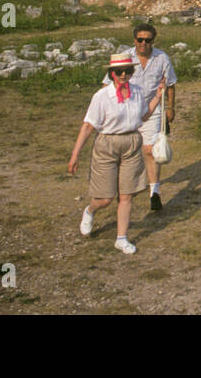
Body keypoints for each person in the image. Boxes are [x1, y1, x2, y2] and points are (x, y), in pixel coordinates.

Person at [68, 52, 165, 254]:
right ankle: (90, 210)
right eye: (119, 72)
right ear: (111, 73)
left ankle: (121, 238)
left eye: (127, 71)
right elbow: (88, 126)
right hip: (107, 144)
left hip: (131, 142)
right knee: (105, 198)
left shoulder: (137, 91)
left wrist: (157, 96)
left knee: (127, 195)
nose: (123, 75)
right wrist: (75, 154)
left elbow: (144, 115)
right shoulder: (102, 96)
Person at [102, 23, 177, 211]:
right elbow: (107, 84)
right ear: (134, 40)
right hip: (127, 110)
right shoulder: (125, 58)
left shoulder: (162, 58)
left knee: (150, 151)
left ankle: (154, 192)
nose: (144, 43)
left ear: (153, 40)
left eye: (148, 40)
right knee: (128, 151)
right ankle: (124, 187)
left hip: (153, 109)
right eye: (140, 39)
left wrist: (170, 107)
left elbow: (170, 84)